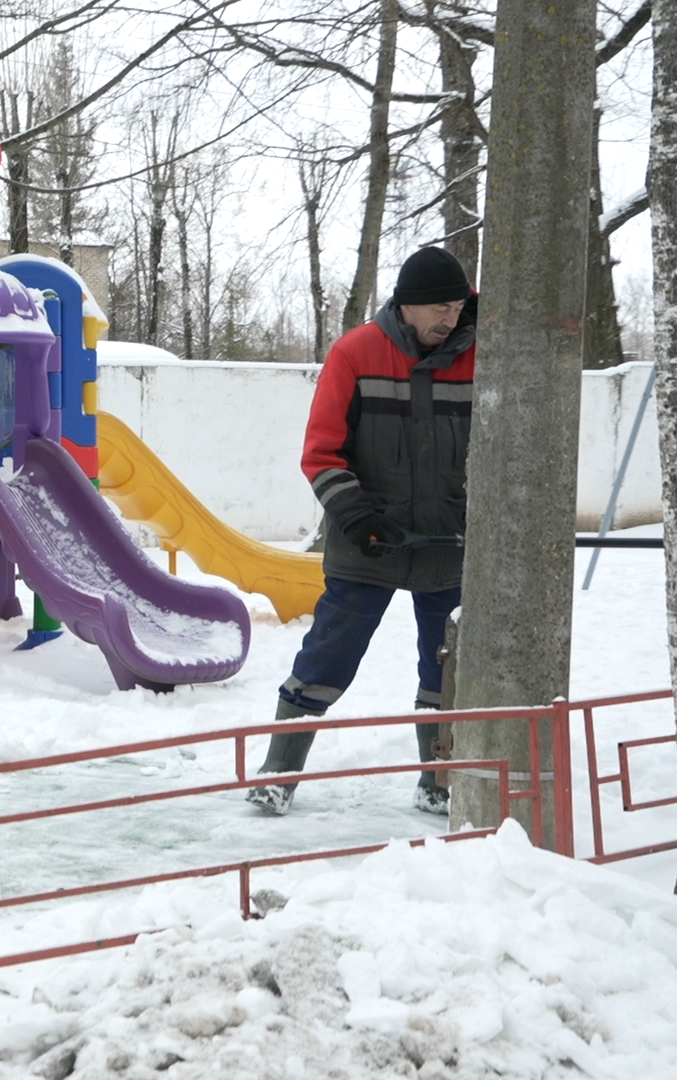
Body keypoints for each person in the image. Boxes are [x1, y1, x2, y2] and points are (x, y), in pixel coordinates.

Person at [246, 247, 477, 817]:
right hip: (367, 542)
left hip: (448, 547)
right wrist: (356, 516)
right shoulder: (354, 353)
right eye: (438, 309)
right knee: (328, 654)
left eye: (456, 306)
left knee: (446, 668)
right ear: (407, 306)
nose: (449, 319)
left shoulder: (480, 359)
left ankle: (439, 781)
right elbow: (321, 453)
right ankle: (278, 773)